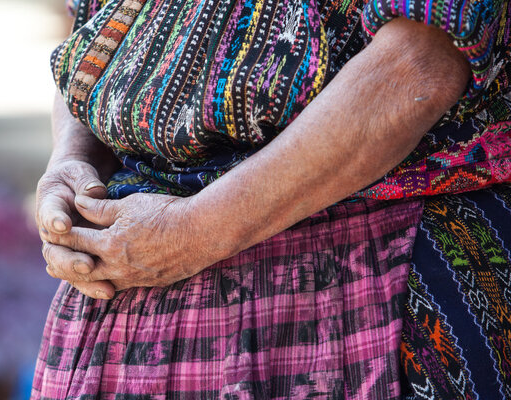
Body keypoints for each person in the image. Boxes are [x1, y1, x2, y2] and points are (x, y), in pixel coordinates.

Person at [32, 0, 511, 396]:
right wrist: (72, 160)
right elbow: (100, 32)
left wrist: (195, 232)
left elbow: (419, 65)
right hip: (126, 298)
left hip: (363, 274)